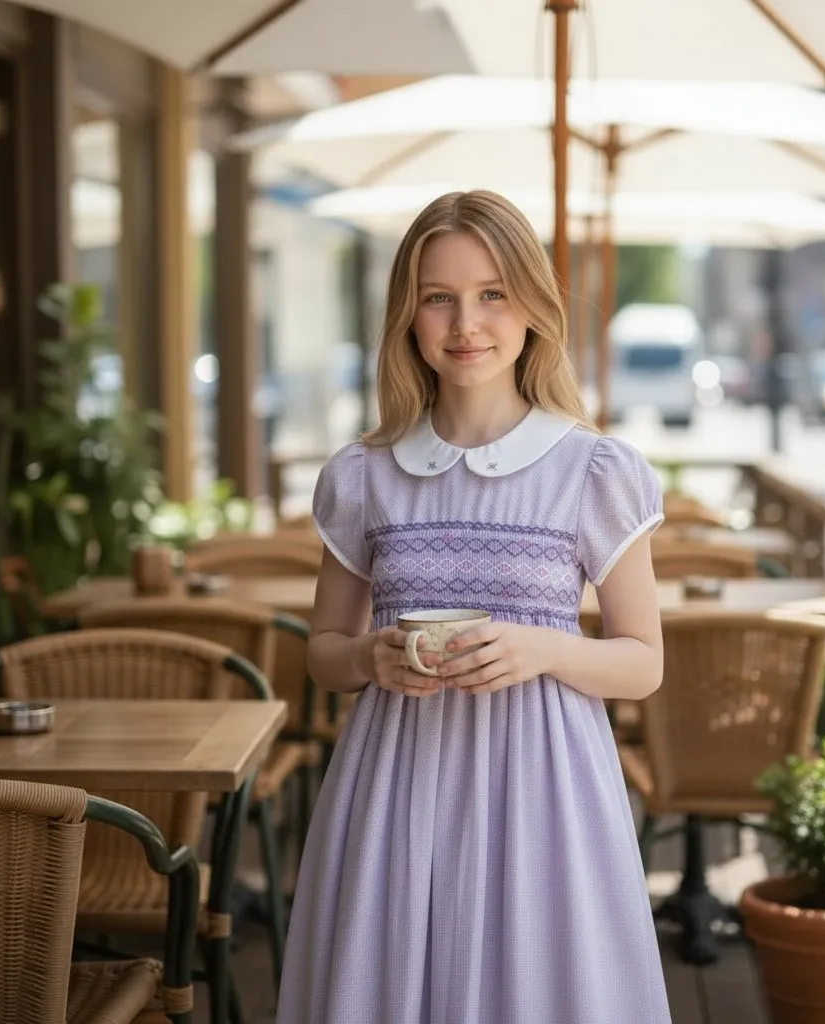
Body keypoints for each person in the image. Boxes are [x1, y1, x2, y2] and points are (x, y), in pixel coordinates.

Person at [275, 190, 671, 1023]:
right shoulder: (363, 474)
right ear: (407, 315)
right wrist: (368, 657)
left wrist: (546, 649)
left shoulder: (595, 470)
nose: (467, 323)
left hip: (548, 794)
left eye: (492, 293)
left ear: (532, 306)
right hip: (394, 782)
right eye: (438, 297)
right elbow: (322, 650)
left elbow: (642, 662)